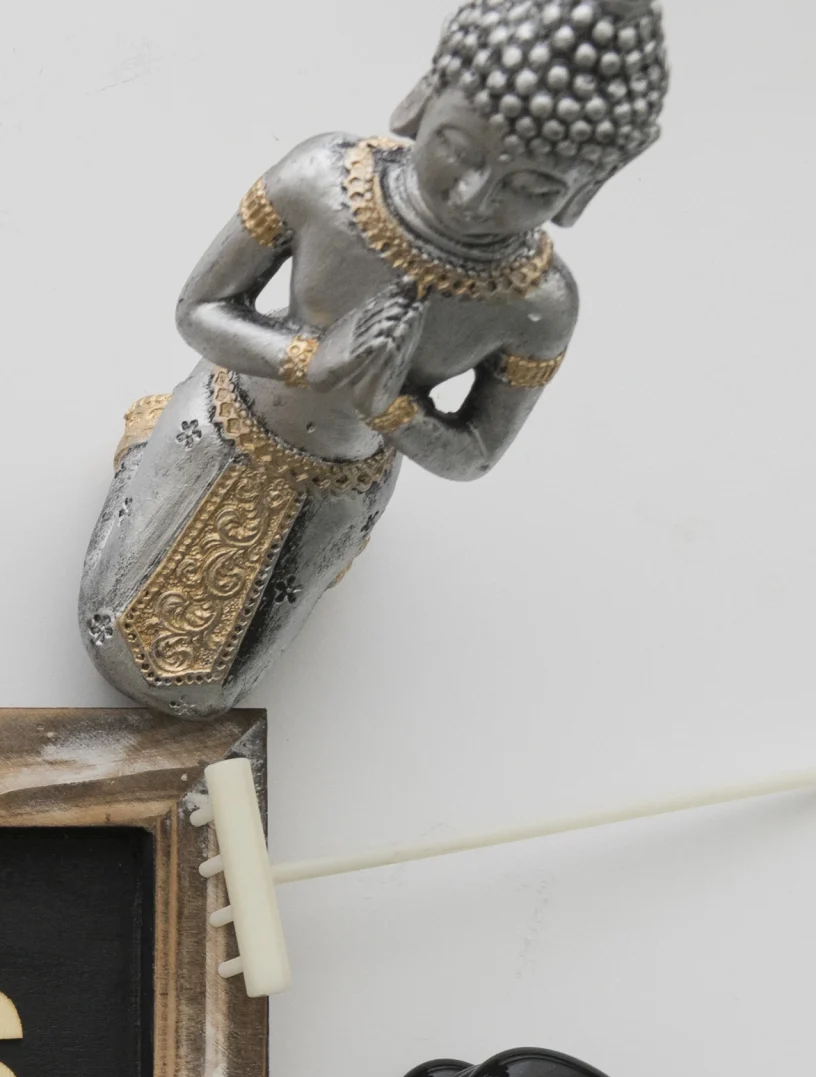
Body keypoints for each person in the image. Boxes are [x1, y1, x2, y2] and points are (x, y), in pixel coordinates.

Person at [79, 0, 669, 714]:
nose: (475, 197)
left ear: (586, 187)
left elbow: (476, 451)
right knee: (109, 624)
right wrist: (310, 361)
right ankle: (148, 446)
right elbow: (198, 311)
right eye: (459, 147)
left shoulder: (538, 304)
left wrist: (388, 407)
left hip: (342, 475)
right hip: (227, 415)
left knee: (206, 690)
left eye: (530, 187)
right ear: (424, 98)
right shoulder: (323, 179)